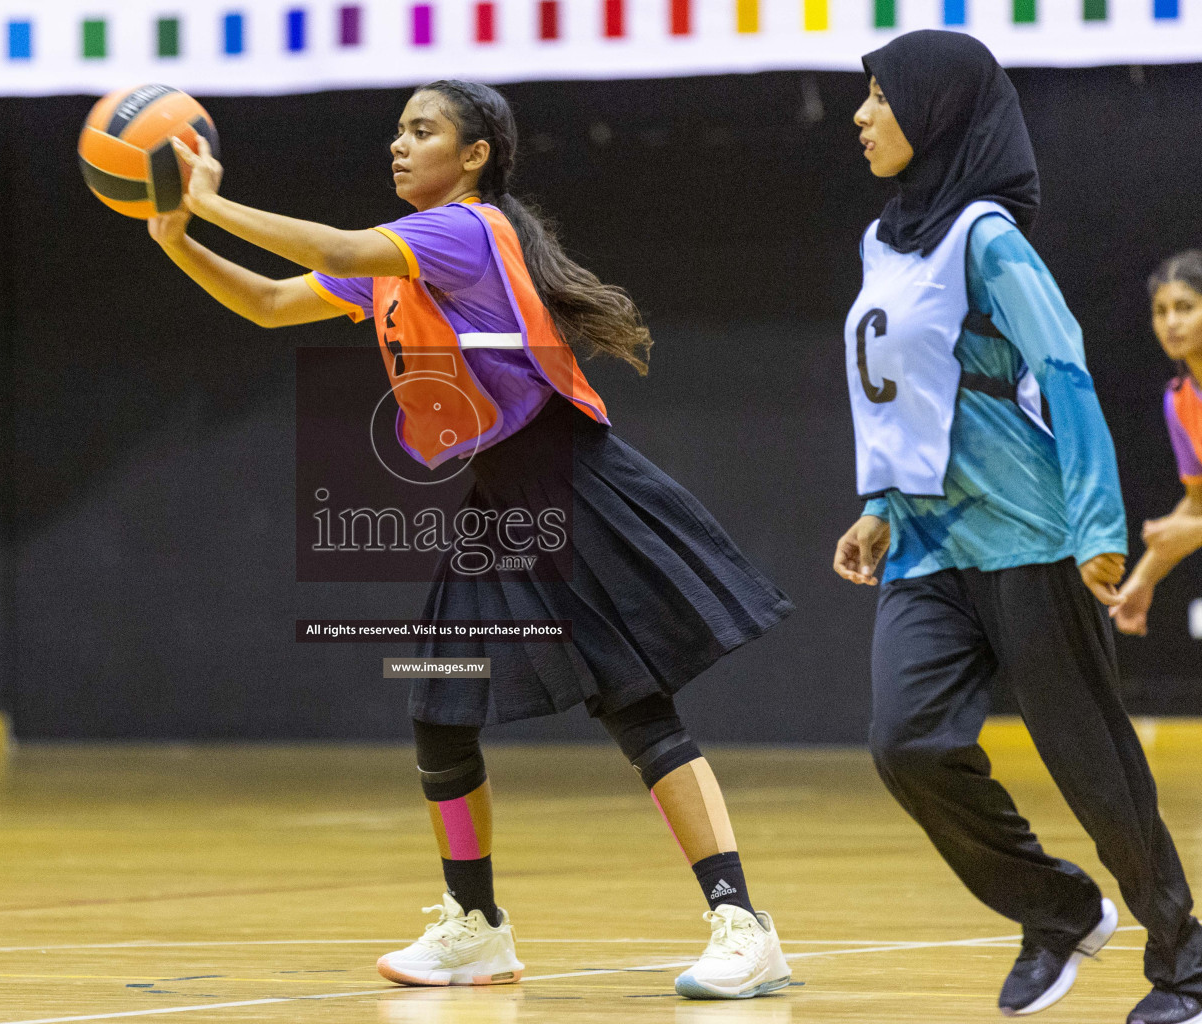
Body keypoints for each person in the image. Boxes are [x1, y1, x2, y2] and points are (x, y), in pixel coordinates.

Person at [145, 79, 794, 999]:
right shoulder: (400, 258)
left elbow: (331, 244)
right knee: (439, 712)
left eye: (424, 130)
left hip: (572, 484)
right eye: (398, 131)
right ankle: (477, 927)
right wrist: (181, 242)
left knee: (639, 711)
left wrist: (206, 201)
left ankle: (742, 925)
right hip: (501, 504)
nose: (400, 146)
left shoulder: (461, 230)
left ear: (476, 153)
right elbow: (268, 303)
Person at [831, 30, 1202, 1024]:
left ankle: (1185, 965)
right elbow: (904, 393)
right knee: (905, 742)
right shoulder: (880, 240)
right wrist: (876, 506)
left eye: (877, 96)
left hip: (1033, 536)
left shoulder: (986, 236)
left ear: (937, 112)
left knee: (1094, 765)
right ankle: (1058, 909)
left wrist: (1097, 525)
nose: (860, 115)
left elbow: (1067, 371)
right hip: (924, 546)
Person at [1111, 251, 1202, 637]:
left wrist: (1195, 533)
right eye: (1160, 311)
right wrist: (1143, 579)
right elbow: (1198, 501)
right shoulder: (1179, 399)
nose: (1171, 323)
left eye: (1186, 307)